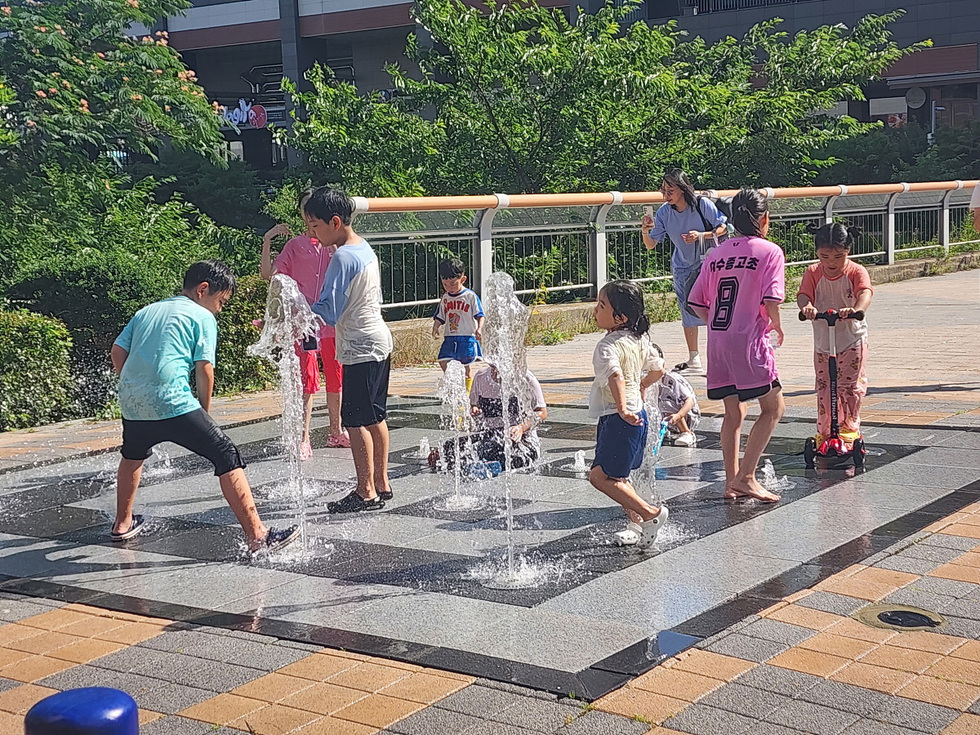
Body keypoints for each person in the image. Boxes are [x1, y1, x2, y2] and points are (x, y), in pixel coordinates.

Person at [110, 260, 299, 552]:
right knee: (226, 454)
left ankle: (122, 524)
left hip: (133, 401)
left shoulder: (147, 311)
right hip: (173, 401)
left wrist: (134, 383)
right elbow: (205, 369)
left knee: (133, 456)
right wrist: (205, 414)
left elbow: (117, 350)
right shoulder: (202, 316)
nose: (219, 309)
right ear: (203, 290)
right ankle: (258, 536)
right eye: (221, 301)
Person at [687, 188, 786, 503]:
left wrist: (719, 321)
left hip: (717, 341)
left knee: (733, 412)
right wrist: (777, 326)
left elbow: (695, 303)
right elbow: (771, 299)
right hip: (748, 341)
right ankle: (746, 476)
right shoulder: (769, 251)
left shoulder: (716, 254)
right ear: (765, 219)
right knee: (773, 408)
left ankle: (731, 482)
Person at [308, 187, 394, 513]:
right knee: (375, 416)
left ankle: (365, 491)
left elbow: (328, 311)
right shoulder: (363, 247)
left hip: (359, 346)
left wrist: (293, 309)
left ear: (334, 221)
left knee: (355, 420)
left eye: (315, 225)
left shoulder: (342, 256)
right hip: (378, 341)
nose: (312, 233)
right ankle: (381, 483)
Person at [260, 188, 349, 460]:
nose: (310, 219)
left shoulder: (334, 245)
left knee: (337, 378)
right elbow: (268, 275)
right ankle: (304, 436)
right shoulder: (296, 245)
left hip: (331, 322)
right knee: (308, 381)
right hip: (305, 325)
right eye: (306, 212)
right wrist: (267, 241)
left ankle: (336, 430)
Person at [589, 280, 668, 549]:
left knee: (599, 477)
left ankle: (650, 514)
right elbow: (659, 368)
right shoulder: (639, 340)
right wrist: (643, 386)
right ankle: (637, 522)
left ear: (620, 317)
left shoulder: (607, 346)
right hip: (638, 416)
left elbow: (616, 376)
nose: (595, 310)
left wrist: (622, 407)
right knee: (619, 478)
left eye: (601, 305)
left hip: (619, 416)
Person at [641, 169, 728, 374]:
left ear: (682, 189)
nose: (666, 195)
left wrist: (701, 235)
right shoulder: (664, 212)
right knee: (687, 309)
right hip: (682, 266)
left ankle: (722, 355)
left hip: (707, 263)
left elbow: (724, 228)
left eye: (670, 190)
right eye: (663, 191)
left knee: (714, 308)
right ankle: (694, 358)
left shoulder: (701, 204)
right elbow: (651, 244)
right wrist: (645, 230)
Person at [797, 223, 873, 446]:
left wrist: (856, 310)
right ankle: (826, 429)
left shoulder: (856, 271)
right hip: (823, 340)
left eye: (838, 256)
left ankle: (850, 427)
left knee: (849, 385)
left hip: (851, 337)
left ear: (848, 252)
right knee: (824, 384)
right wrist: (807, 307)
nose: (831, 262)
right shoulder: (812, 272)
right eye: (825, 256)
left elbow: (865, 292)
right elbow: (803, 295)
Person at [443, 363, 547, 470]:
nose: (495, 374)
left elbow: (542, 413)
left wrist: (521, 427)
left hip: (522, 440)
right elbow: (474, 404)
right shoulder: (481, 376)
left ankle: (487, 466)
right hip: (491, 435)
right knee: (450, 446)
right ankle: (473, 464)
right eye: (493, 368)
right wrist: (475, 409)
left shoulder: (526, 379)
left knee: (497, 451)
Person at [432, 258, 484, 394]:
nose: (449, 288)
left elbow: (480, 314)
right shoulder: (446, 297)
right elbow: (440, 315)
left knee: (465, 366)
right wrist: (436, 326)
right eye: (445, 285)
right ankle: (454, 384)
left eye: (453, 284)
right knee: (443, 360)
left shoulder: (470, 296)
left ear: (463, 279)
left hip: (466, 337)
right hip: (449, 336)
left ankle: (467, 391)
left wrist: (479, 328)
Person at [646, 349, 701, 447]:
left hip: (684, 414)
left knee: (666, 404)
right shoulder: (645, 380)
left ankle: (686, 432)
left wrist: (679, 416)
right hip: (663, 417)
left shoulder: (672, 380)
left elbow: (690, 401)